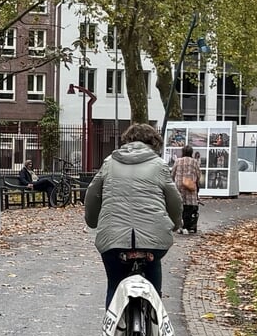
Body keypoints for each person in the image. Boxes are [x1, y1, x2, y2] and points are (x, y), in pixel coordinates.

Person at [84, 123, 184, 302]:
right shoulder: (159, 165)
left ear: (126, 141)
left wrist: (92, 221)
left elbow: (92, 194)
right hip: (153, 239)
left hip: (113, 238)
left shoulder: (109, 163)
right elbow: (174, 199)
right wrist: (176, 223)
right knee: (153, 277)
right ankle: (155, 311)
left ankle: (113, 327)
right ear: (154, 143)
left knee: (114, 286)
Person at [171, 146, 201, 233]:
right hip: (190, 187)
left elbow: (173, 173)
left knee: (180, 207)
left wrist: (174, 180)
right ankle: (187, 227)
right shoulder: (194, 162)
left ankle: (180, 227)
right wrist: (196, 182)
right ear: (191, 152)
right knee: (189, 207)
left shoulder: (178, 161)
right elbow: (198, 174)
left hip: (179, 186)